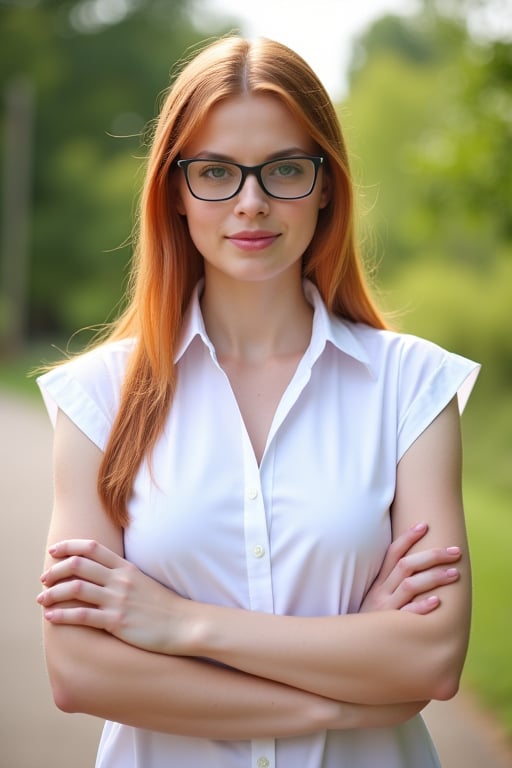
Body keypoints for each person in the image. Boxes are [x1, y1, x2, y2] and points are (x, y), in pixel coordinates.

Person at [36, 36, 480, 768]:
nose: (252, 203)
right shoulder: (95, 400)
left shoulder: (412, 388)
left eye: (283, 170)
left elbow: (429, 660)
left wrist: (174, 624)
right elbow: (80, 673)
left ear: (326, 182)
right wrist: (346, 694)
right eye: (216, 171)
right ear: (174, 190)